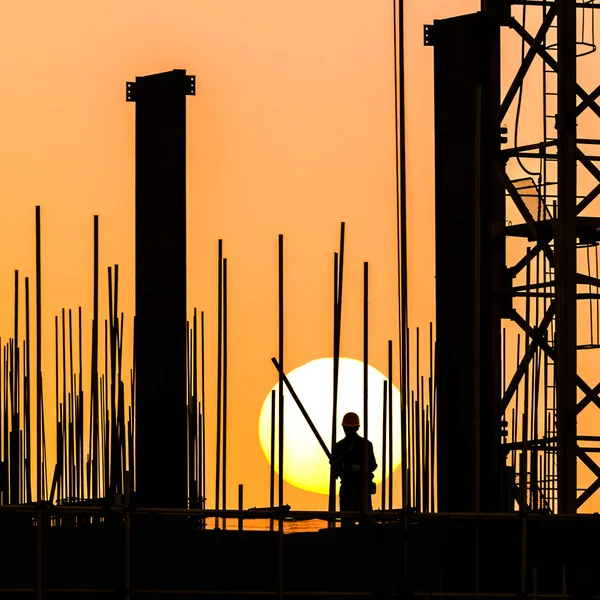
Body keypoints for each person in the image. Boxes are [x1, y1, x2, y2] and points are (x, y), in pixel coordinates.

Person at [330, 412, 377, 527]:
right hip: (350, 488)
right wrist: (338, 467)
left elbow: (372, 465)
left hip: (361, 488)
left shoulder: (364, 445)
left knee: (363, 523)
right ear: (358, 427)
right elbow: (335, 473)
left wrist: (360, 468)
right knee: (351, 523)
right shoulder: (340, 446)